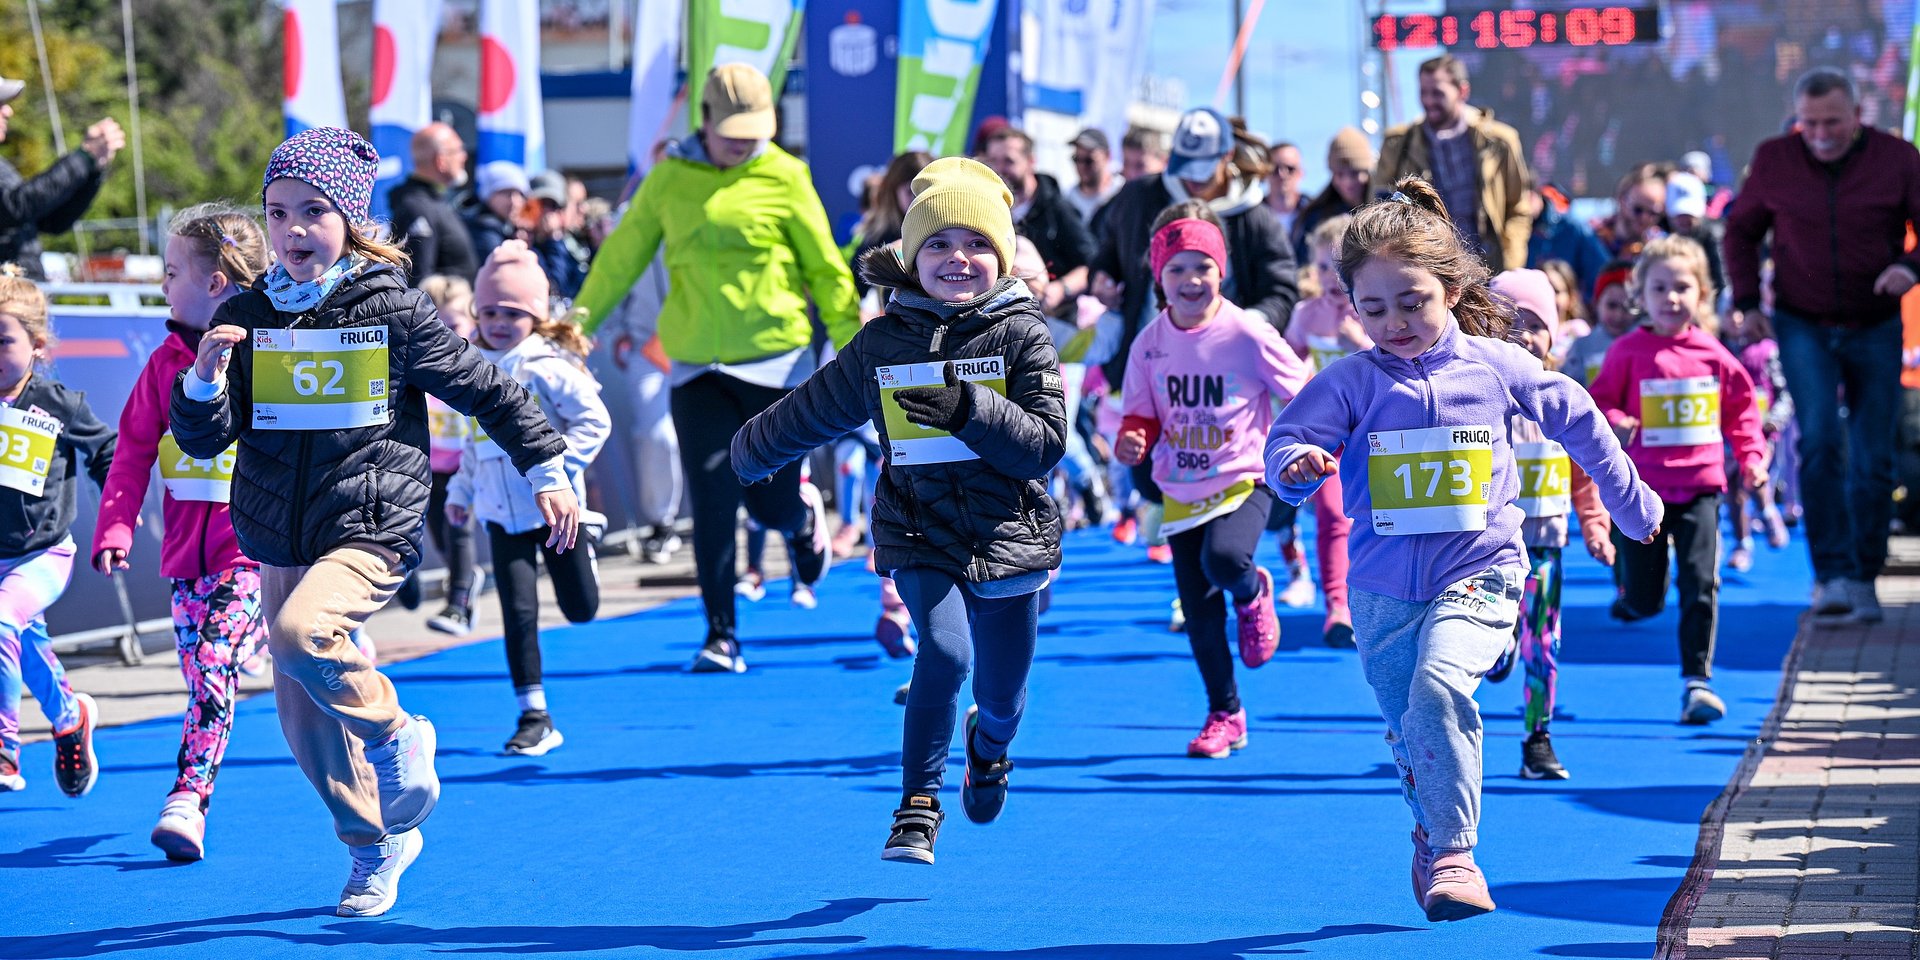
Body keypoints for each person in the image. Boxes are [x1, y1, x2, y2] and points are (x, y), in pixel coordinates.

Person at [170, 126, 578, 918]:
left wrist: (547, 470)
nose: (292, 230)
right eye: (278, 212)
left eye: (313, 211)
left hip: (368, 522)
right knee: (301, 720)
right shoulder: (246, 314)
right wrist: (205, 383)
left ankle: (397, 734)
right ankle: (372, 846)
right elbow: (207, 438)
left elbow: (488, 389)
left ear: (350, 220)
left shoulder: (390, 307)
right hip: (278, 534)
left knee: (299, 634)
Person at [1263, 178, 1660, 921]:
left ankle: (1455, 854)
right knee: (1412, 728)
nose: (1395, 323)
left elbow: (1577, 416)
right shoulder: (1349, 382)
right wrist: (1295, 468)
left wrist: (1628, 499)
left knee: (1440, 686)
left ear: (1450, 288)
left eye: (1412, 302)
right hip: (1382, 590)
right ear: (1351, 307)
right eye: (1374, 309)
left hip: (1483, 567)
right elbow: (1286, 439)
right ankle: (1430, 830)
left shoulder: (1494, 365)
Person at [730, 157, 1065, 865]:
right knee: (944, 651)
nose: (957, 258)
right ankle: (918, 805)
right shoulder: (885, 340)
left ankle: (990, 748)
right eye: (937, 244)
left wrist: (970, 409)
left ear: (1002, 257)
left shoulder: (1023, 334)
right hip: (917, 529)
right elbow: (818, 405)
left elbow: (1043, 445)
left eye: (976, 243)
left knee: (1002, 695)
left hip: (1008, 535)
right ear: (911, 257)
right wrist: (750, 451)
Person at [567, 64, 856, 673]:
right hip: (696, 366)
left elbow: (827, 270)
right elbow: (620, 259)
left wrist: (857, 349)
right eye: (732, 132)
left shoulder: (786, 175)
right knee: (712, 501)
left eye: (754, 131)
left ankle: (799, 519)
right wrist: (575, 329)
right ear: (703, 121)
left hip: (777, 366)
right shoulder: (669, 179)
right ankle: (721, 635)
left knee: (769, 505)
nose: (743, 143)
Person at [91, 203, 271, 860]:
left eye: (171, 273)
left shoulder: (269, 355)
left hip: (250, 555)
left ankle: (188, 797)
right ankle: (263, 639)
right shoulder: (162, 367)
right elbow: (132, 452)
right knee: (201, 676)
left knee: (213, 663)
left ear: (215, 282)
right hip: (184, 563)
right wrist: (115, 527)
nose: (162, 284)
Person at [1723, 66, 1920, 622]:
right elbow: (1741, 231)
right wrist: (1748, 302)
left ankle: (1863, 577)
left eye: (1832, 122)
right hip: (1802, 321)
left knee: (1873, 453)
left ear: (1858, 115)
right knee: (1821, 441)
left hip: (1875, 322)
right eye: (1809, 124)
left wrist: (1910, 268)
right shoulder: (1775, 159)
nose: (1820, 135)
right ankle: (1831, 575)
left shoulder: (1897, 158)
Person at [1116, 213, 1308, 757]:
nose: (1191, 279)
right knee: (1199, 613)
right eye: (1176, 269)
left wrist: (1316, 441)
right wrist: (1133, 439)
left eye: (1203, 266)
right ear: (1159, 278)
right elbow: (1139, 414)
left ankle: (1252, 591)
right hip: (1181, 485)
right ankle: (1226, 713)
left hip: (1246, 474)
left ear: (1221, 271)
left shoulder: (1247, 331)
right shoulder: (1148, 344)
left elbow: (1302, 391)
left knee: (1224, 560)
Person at [1590, 234, 1765, 723]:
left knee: (1701, 583)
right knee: (1647, 600)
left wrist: (1751, 457)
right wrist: (1617, 420)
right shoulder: (1627, 352)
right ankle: (1632, 595)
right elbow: (1599, 402)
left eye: (1682, 287)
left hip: (1701, 489)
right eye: (1660, 288)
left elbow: (1742, 410)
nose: (1671, 298)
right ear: (1640, 296)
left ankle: (1697, 683)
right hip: (1642, 494)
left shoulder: (1713, 355)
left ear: (1702, 294)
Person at [447, 241, 609, 756]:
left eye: (512, 313)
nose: (498, 323)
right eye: (490, 312)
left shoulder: (546, 367)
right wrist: (461, 491)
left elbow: (594, 421)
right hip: (500, 515)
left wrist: (558, 472)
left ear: (536, 317)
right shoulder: (470, 369)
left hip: (557, 514)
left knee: (581, 608)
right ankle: (533, 714)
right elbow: (472, 441)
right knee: (518, 613)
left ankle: (589, 540)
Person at [1480, 268, 1613, 780]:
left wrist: (1595, 527)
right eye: (1510, 323)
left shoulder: (1563, 400)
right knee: (1490, 643)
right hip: (1486, 551)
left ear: (1553, 335)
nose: (1523, 336)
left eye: (1535, 325)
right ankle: (1499, 648)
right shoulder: (1477, 397)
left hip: (1545, 548)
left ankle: (1538, 737)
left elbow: (1585, 473)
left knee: (1545, 642)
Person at [0, 270, 114, 798]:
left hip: (43, 555)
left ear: (37, 346)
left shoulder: (57, 403)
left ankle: (5, 749)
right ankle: (70, 718)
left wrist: (117, 511)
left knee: (2, 621)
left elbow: (108, 451)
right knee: (23, 643)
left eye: (3, 341)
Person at [1280, 214, 1366, 645]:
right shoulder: (1306, 315)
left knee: (1376, 520)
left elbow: (1403, 362)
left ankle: (1378, 600)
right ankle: (1337, 607)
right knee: (1332, 515)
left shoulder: (1372, 310)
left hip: (1374, 432)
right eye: (1320, 267)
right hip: (1330, 434)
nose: (1330, 277)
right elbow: (1287, 360)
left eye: (1339, 266)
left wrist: (1362, 345)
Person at [1374, 56, 1532, 271]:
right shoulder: (1398, 144)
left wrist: (1511, 265)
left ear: (1462, 91)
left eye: (1437, 93)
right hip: (1428, 270)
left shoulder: (1499, 141)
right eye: (1423, 92)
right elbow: (1379, 208)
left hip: (1489, 269)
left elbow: (1518, 207)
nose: (1429, 101)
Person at [394, 275, 483, 634]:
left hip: (466, 467)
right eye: (438, 326)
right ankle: (412, 574)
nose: (447, 334)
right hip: (429, 467)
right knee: (438, 536)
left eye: (455, 325)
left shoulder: (481, 361)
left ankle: (458, 603)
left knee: (458, 530)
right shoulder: (422, 364)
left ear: (472, 322)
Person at [0, 76, 123, 279]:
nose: (8, 111)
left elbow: (52, 222)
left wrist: (93, 169)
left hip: (24, 289)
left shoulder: (3, 166)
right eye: (0, 104)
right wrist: (83, 157)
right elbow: (17, 206)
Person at [979, 126, 1095, 314]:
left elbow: (1091, 263)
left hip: (1052, 316)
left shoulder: (1057, 209)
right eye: (993, 161)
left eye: (1009, 161)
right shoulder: (986, 207)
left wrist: (1060, 289)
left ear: (1031, 161)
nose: (999, 169)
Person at [1721, 306, 1793, 573]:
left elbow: (1784, 392)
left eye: (1741, 313)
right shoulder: (1719, 349)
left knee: (1753, 474)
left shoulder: (1768, 351)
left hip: (1760, 430)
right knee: (1734, 488)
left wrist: (1775, 420)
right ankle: (1742, 543)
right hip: (1726, 432)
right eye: (1729, 313)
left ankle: (1767, 511)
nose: (1736, 319)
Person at [388, 123, 478, 284]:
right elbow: (418, 281)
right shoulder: (417, 207)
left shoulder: (431, 201)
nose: (464, 156)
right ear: (440, 160)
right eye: (458, 150)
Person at [1292, 127, 1374, 264]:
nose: (1347, 181)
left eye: (1354, 173)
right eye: (1340, 174)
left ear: (1367, 172)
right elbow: (1303, 264)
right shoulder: (1316, 217)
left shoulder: (1384, 211)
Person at [1524, 184, 1609, 298]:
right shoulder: (1512, 233)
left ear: (1532, 196)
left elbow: (1602, 273)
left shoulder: (1573, 229)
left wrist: (1579, 303)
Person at [1561, 262, 1637, 389]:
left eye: (1628, 307)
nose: (1618, 315)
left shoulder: (1642, 345)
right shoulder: (1582, 347)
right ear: (1596, 303)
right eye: (1611, 305)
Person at [525, 171, 588, 298]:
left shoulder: (574, 242)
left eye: (553, 206)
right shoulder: (524, 243)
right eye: (542, 204)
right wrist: (553, 238)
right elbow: (554, 288)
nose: (547, 213)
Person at [1591, 163, 1668, 261]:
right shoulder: (1593, 236)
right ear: (1622, 200)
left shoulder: (1661, 246)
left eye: (1653, 213)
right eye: (1638, 210)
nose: (1644, 218)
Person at [463, 160, 529, 261]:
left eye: (519, 194)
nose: (514, 201)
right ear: (488, 196)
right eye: (506, 193)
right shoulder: (484, 228)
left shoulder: (508, 227)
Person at [1065, 128, 1120, 224]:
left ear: (1107, 156)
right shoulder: (1067, 199)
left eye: (1089, 161)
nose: (1082, 166)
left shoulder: (1121, 193)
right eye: (1077, 159)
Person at [1265, 140, 1309, 241]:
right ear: (1265, 173)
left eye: (1290, 168)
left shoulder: (1317, 214)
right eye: (1275, 169)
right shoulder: (1251, 217)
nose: (1282, 174)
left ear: (1301, 173)